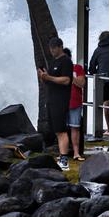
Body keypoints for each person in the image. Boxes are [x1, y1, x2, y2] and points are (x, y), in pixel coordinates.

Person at [37, 37, 73, 170]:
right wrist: (43, 77)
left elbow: (66, 80)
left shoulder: (66, 62)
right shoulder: (53, 62)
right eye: (50, 48)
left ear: (60, 47)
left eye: (54, 48)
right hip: (51, 100)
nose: (52, 51)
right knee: (57, 131)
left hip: (61, 101)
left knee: (62, 130)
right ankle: (61, 155)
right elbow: (49, 81)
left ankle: (64, 160)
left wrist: (49, 77)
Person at [88, 31, 109, 135]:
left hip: (104, 78)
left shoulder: (98, 50)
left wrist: (97, 74)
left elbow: (91, 68)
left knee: (106, 103)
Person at [63, 48, 86, 161]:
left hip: (75, 102)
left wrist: (71, 77)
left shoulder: (78, 68)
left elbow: (82, 83)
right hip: (62, 103)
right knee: (62, 129)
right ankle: (63, 153)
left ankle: (76, 153)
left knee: (75, 128)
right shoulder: (58, 69)